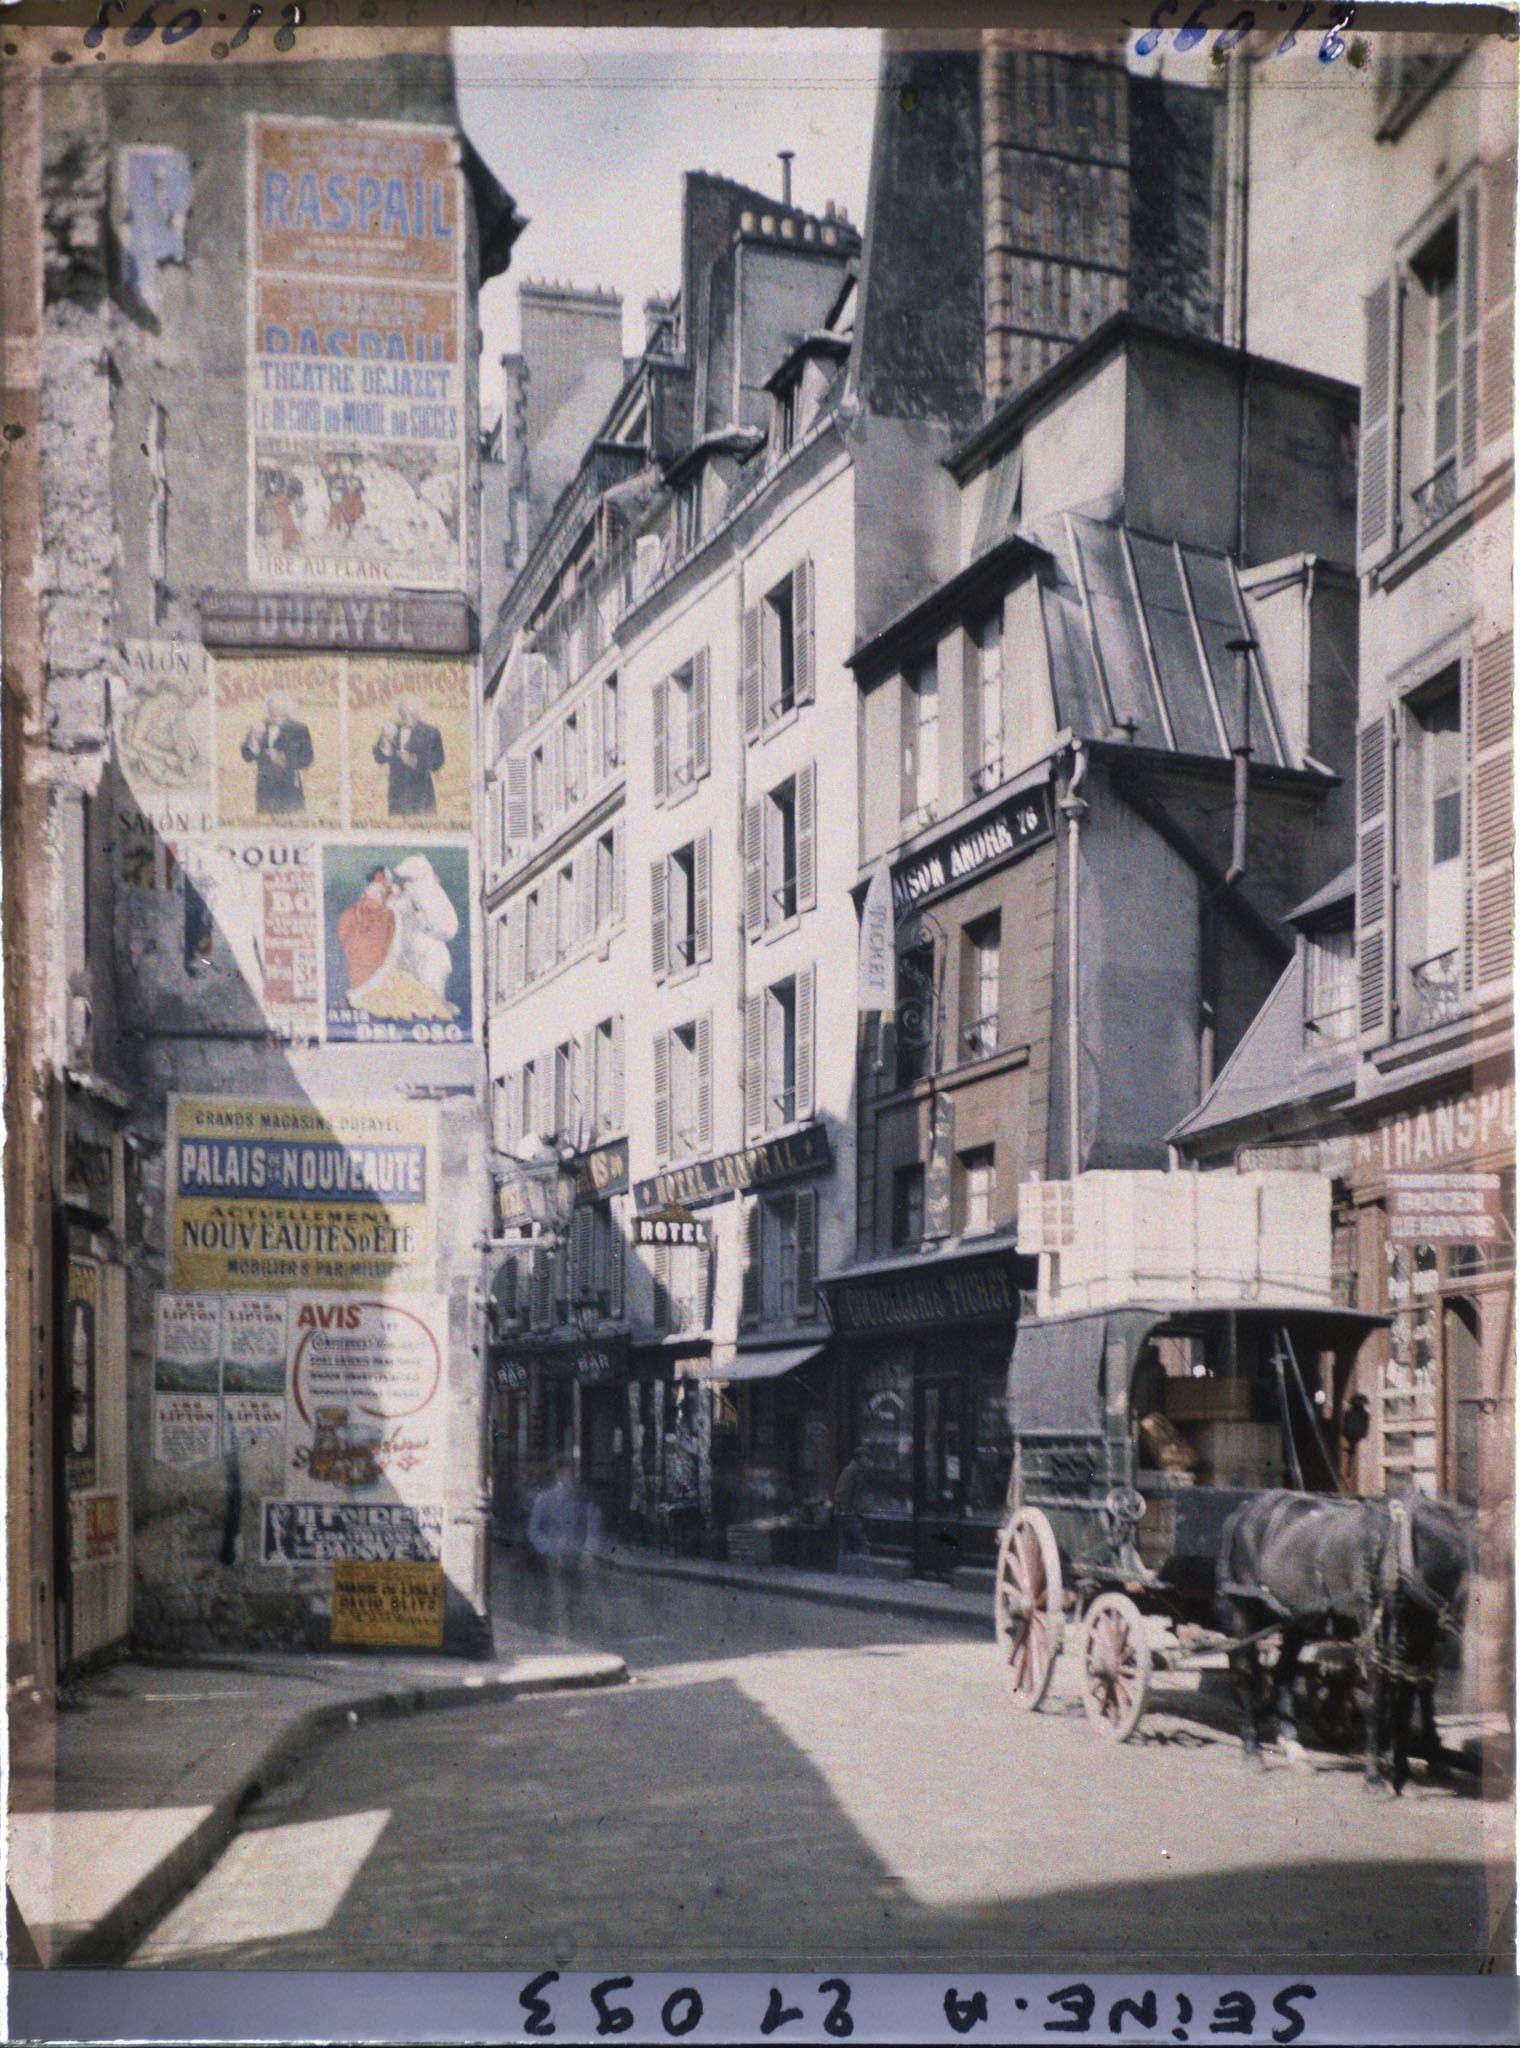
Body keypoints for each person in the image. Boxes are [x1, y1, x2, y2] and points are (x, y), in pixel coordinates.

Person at [526, 1459, 596, 1635]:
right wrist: (551, 1546)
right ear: (558, 1474)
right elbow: (533, 1531)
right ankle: (544, 1632)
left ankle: (569, 1632)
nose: (570, 1477)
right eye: (566, 1472)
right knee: (548, 1597)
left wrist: (588, 1550)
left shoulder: (582, 1499)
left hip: (574, 1557)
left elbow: (590, 1527)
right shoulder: (545, 1498)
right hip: (551, 1558)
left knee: (572, 1599)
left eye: (573, 1473)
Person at [240, 691, 313, 816]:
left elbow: (307, 759)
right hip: (265, 791)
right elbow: (248, 757)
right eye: (271, 708)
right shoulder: (259, 727)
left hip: (290, 789)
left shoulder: (299, 729)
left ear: (287, 709)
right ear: (267, 709)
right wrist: (254, 740)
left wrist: (283, 759)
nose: (274, 712)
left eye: (279, 708)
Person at [374, 695, 445, 817]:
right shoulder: (390, 729)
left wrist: (416, 762)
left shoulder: (431, 732)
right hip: (397, 796)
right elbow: (379, 759)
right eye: (403, 712)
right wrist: (385, 742)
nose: (406, 716)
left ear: (419, 713)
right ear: (399, 712)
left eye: (411, 712)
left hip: (422, 795)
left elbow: (438, 761)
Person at [832, 1446, 873, 1577]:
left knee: (844, 1545)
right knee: (862, 1544)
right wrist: (849, 1509)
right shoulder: (852, 1472)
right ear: (860, 1458)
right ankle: (868, 1575)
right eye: (866, 1458)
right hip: (847, 1513)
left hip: (844, 1512)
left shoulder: (855, 1471)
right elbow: (843, 1493)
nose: (868, 1461)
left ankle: (840, 1573)